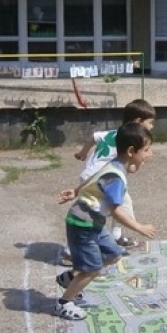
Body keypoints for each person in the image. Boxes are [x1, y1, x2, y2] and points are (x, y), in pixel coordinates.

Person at [55, 122, 157, 321]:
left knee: (113, 254)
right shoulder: (115, 178)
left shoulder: (115, 163)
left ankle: (71, 278)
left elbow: (95, 177)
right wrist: (139, 227)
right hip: (83, 224)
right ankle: (64, 302)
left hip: (94, 222)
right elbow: (116, 212)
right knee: (92, 268)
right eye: (146, 150)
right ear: (131, 151)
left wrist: (75, 191)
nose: (149, 154)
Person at [71, 98, 157, 249]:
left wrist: (82, 153)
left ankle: (88, 241)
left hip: (90, 175)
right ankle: (115, 237)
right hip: (105, 177)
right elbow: (130, 168)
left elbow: (94, 137)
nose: (152, 127)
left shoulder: (114, 134)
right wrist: (139, 227)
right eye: (150, 123)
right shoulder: (130, 142)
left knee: (90, 212)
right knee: (120, 206)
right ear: (138, 121)